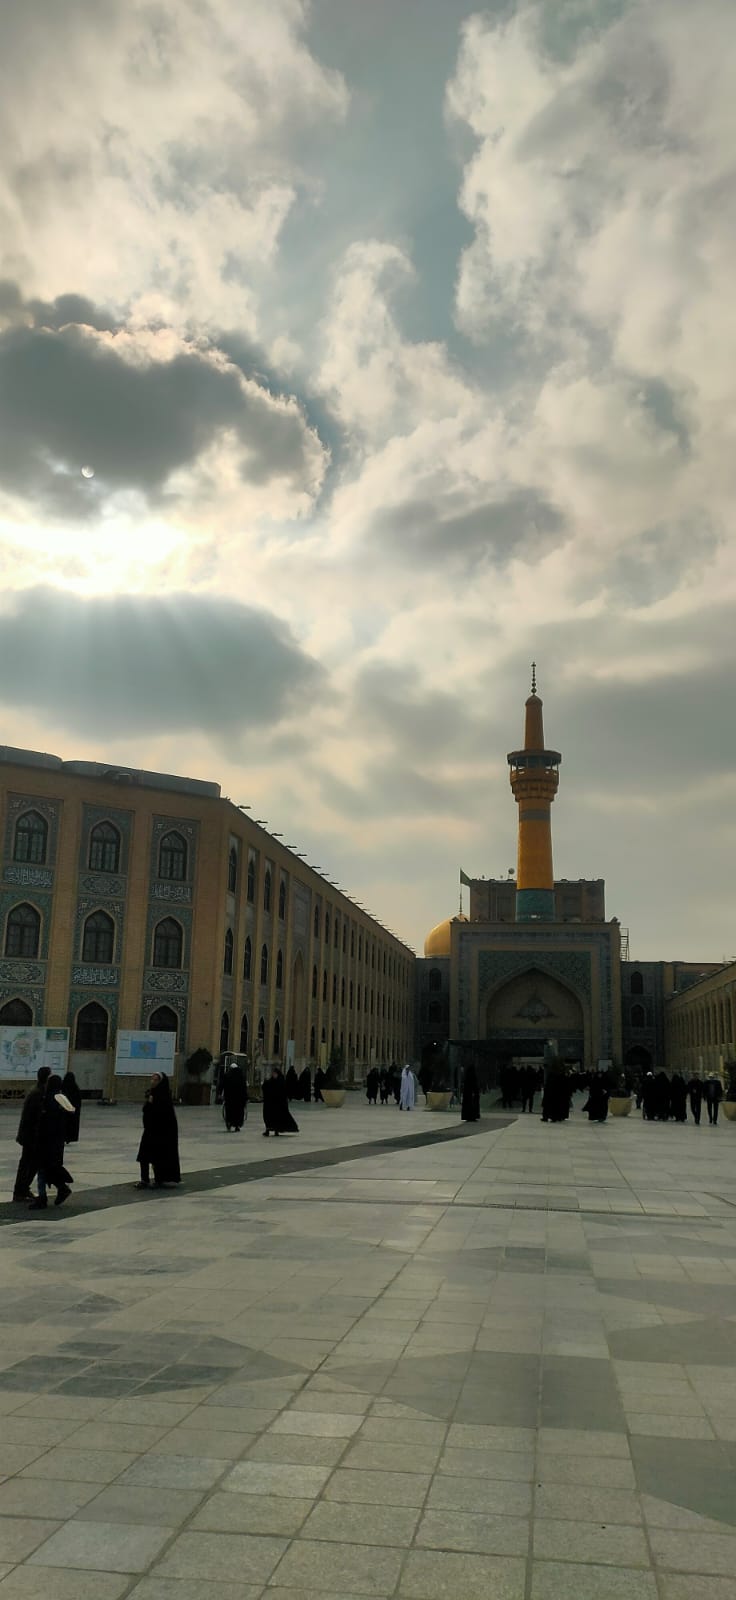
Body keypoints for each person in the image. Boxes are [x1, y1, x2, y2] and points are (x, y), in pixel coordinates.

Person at [30, 1074, 75, 1209]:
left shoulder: (48, 1098)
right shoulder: (62, 1098)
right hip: (57, 1140)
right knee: (49, 1168)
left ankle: (45, 1196)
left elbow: (44, 1121)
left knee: (43, 1168)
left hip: (46, 1140)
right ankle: (57, 1189)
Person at [13, 1065, 51, 1202]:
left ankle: (22, 1189)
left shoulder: (37, 1091)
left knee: (29, 1163)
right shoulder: (38, 1094)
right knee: (29, 1164)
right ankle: (20, 1190)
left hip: (29, 1135)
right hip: (31, 1137)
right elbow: (35, 1117)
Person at [136, 1072, 181, 1188]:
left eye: (156, 1080)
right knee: (144, 1156)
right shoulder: (151, 1094)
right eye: (152, 1079)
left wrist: (152, 1103)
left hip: (161, 1133)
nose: (153, 1082)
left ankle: (159, 1178)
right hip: (150, 1130)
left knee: (158, 1157)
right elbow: (146, 1110)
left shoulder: (164, 1096)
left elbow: (164, 1115)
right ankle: (144, 1179)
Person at [262, 1066, 299, 1136]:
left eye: (275, 1074)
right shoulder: (270, 1081)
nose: (274, 1075)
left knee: (277, 1118)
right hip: (270, 1105)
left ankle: (276, 1130)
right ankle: (267, 1130)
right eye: (273, 1074)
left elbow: (283, 1093)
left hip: (278, 1105)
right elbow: (266, 1088)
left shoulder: (281, 1082)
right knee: (268, 1117)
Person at [223, 1061, 247, 1132]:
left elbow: (223, 1085)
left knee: (230, 1112)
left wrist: (221, 1094)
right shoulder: (241, 1076)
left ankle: (229, 1123)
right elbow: (244, 1088)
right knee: (238, 1112)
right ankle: (237, 1125)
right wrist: (245, 1098)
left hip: (229, 1098)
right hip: (239, 1099)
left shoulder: (227, 1075)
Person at [61, 1070, 82, 1143]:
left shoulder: (62, 1087)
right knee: (71, 1125)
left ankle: (64, 1137)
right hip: (72, 1111)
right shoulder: (75, 1088)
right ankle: (69, 1138)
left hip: (64, 1110)